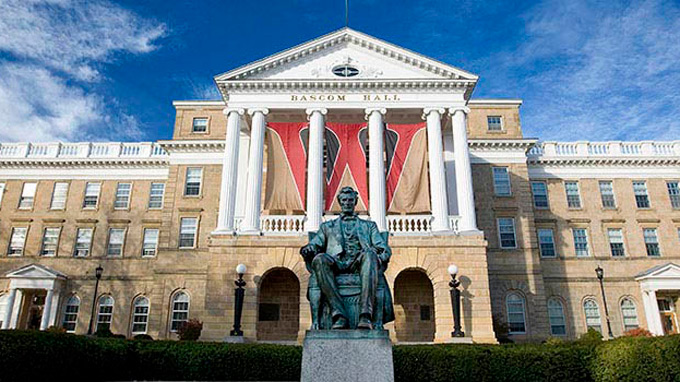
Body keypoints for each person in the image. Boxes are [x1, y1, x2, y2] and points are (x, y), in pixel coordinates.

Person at [300, 186, 391, 329]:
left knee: (370, 255)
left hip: (360, 264)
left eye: (350, 200)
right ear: (340, 202)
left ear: (355, 202)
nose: (347, 203)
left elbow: (384, 249)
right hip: (336, 263)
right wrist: (308, 249)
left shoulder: (369, 226)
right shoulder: (327, 227)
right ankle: (339, 314)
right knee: (319, 259)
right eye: (344, 200)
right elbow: (315, 244)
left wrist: (376, 259)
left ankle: (365, 316)